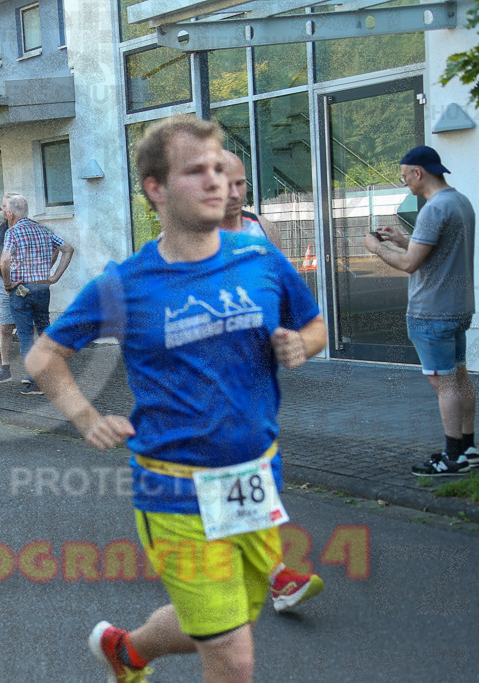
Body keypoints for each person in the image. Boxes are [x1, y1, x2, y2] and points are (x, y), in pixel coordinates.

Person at [25, 114, 328, 682]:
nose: (217, 182)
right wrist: (85, 416)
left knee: (228, 616)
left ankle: (127, 651)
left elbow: (315, 326)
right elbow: (44, 356)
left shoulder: (259, 259)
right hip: (175, 490)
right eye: (196, 171)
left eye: (220, 169)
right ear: (156, 189)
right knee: (232, 656)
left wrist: (299, 344)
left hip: (253, 480)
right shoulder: (128, 283)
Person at [220, 150, 325, 612]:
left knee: (253, 491)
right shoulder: (171, 252)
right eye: (228, 183)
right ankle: (273, 576)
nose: (236, 193)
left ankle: (265, 575)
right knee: (239, 487)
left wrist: (298, 342)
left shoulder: (260, 235)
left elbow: (303, 313)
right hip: (204, 408)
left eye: (243, 183)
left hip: (255, 400)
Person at [365, 145, 479, 476]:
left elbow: (411, 263)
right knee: (459, 376)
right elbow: (433, 252)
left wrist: (377, 248)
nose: (405, 184)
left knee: (443, 383)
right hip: (458, 308)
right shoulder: (459, 202)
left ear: (419, 173)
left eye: (405, 177)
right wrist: (401, 238)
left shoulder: (433, 209)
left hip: (432, 311)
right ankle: (468, 448)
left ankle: (452, 456)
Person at [0, 194, 74, 396]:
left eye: (5, 211)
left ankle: (37, 381)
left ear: (10, 213)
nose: (4, 214)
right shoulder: (44, 230)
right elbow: (67, 249)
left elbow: (4, 261)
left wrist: (7, 283)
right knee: (44, 331)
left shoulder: (12, 233)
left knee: (25, 336)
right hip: (42, 289)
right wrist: (55, 276)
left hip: (21, 290)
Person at [0, 193, 21, 385]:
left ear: (12, 210)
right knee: (5, 326)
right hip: (4, 285)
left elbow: (56, 247)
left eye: (3, 207)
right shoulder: (2, 228)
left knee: (29, 326)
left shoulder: (27, 227)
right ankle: (5, 369)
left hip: (24, 284)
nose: (1, 210)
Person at [219, 150, 281, 248]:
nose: (235, 194)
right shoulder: (188, 234)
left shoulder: (264, 229)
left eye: (240, 183)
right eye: (226, 185)